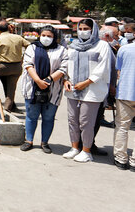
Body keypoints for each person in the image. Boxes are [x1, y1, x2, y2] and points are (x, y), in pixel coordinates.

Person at [63, 19, 112, 163]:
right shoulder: (72, 46)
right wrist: (65, 79)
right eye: (81, 28)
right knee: (72, 120)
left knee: (86, 122)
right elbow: (66, 65)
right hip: (73, 88)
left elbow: (103, 68)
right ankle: (74, 148)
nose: (83, 31)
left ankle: (86, 150)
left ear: (93, 30)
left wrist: (86, 82)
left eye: (86, 28)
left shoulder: (102, 45)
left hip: (92, 89)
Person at [19, 26, 68, 153]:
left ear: (55, 37)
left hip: (53, 88)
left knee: (48, 117)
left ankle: (44, 142)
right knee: (31, 116)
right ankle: (29, 140)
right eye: (44, 35)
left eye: (49, 36)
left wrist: (48, 80)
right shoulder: (32, 47)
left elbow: (63, 68)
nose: (46, 38)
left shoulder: (62, 50)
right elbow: (28, 65)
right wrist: (38, 81)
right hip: (33, 87)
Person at [0, 20, 30, 113]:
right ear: (9, 28)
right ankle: (7, 109)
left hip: (2, 67)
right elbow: (30, 46)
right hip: (17, 67)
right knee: (11, 90)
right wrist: (23, 58)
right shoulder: (18, 37)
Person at [113, 37, 135, 170]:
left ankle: (121, 158)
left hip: (126, 92)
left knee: (122, 126)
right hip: (125, 93)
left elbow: (119, 69)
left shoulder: (124, 49)